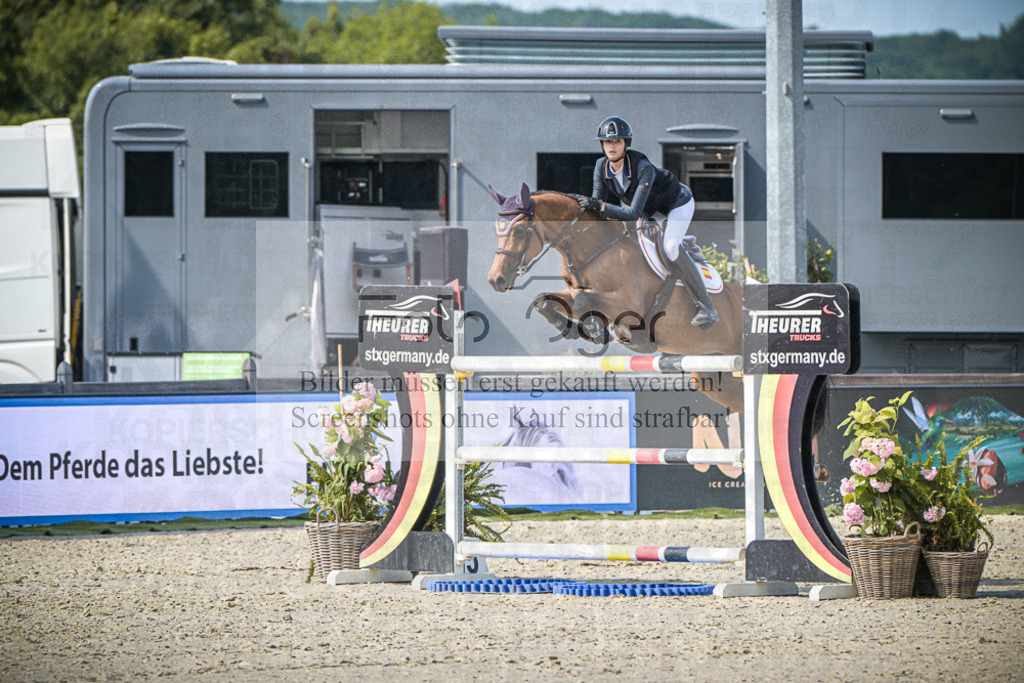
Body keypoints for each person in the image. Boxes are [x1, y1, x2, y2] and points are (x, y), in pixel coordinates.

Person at [586, 116, 718, 329]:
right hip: (650, 210)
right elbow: (598, 204)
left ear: (625, 144)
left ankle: (706, 305)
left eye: (617, 141)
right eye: (608, 142)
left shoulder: (642, 167)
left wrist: (599, 207)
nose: (611, 146)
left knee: (670, 247)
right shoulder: (601, 166)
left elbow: (631, 212)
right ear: (602, 144)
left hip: (677, 203)